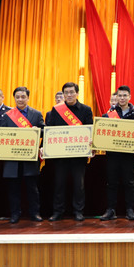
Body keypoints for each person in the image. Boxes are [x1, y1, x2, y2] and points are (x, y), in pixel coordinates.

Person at [45, 82, 94, 222]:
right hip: (60, 155)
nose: (69, 95)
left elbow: (90, 130)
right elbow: (50, 130)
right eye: (66, 93)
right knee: (59, 184)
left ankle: (78, 211)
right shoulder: (56, 110)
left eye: (72, 92)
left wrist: (91, 145)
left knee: (79, 185)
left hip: (79, 154)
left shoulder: (86, 110)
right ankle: (58, 212)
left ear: (77, 93)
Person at [0, 86, 44, 223]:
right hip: (12, 158)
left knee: (32, 188)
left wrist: (38, 130)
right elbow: (1, 134)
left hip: (29, 157)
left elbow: (45, 130)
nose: (20, 99)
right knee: (13, 188)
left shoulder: (36, 114)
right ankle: (15, 214)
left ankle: (35, 213)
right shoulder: (7, 115)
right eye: (17, 97)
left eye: (23, 97)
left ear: (28, 98)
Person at [100, 85, 134, 221]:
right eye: (120, 95)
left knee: (129, 182)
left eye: (125, 95)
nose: (122, 98)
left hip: (128, 154)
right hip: (113, 154)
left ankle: (130, 210)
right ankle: (110, 210)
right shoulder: (109, 114)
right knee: (111, 182)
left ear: (129, 97)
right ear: (116, 97)